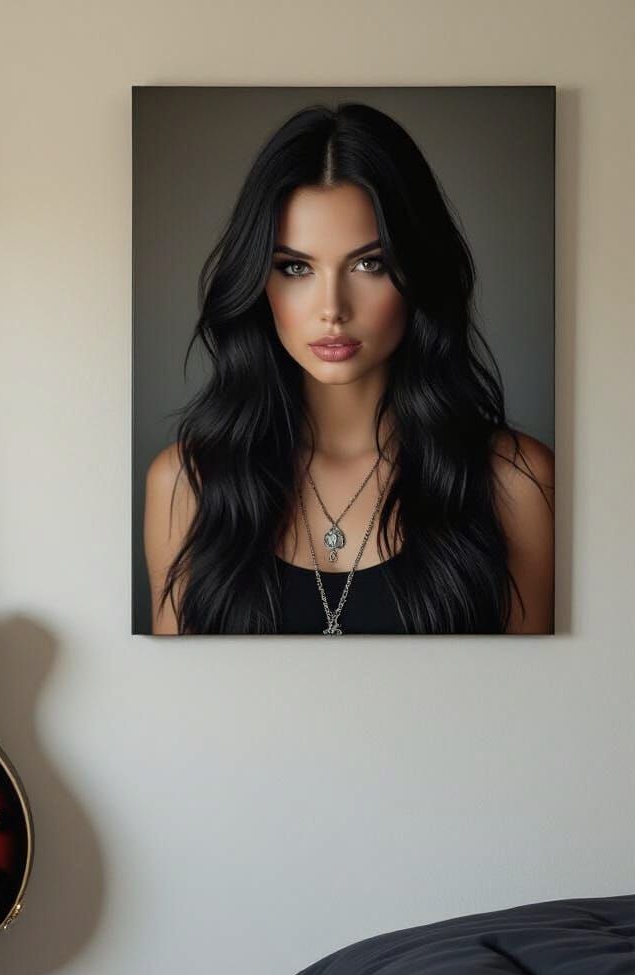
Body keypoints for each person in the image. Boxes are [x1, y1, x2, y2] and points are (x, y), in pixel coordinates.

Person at [144, 103, 554, 635]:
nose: (332, 307)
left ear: (417, 272)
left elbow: (544, 708)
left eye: (369, 264)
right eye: (295, 267)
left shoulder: (515, 482)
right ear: (257, 282)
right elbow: (171, 707)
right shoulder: (186, 483)